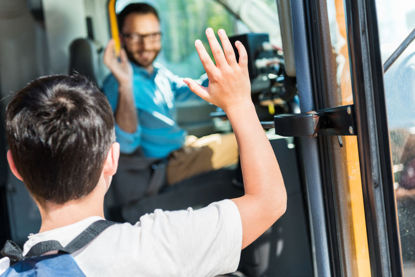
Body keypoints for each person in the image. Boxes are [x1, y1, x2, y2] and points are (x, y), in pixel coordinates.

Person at [0, 28, 286, 276]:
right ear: (113, 159)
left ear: (15, 167)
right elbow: (269, 202)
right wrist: (238, 102)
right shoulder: (156, 247)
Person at [103, 3, 238, 186]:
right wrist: (125, 85)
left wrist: (223, 73)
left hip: (183, 148)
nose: (146, 46)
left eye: (153, 36)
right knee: (249, 144)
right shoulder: (118, 83)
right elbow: (126, 146)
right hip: (163, 167)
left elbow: (190, 89)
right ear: (121, 39)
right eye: (135, 37)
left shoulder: (158, 74)